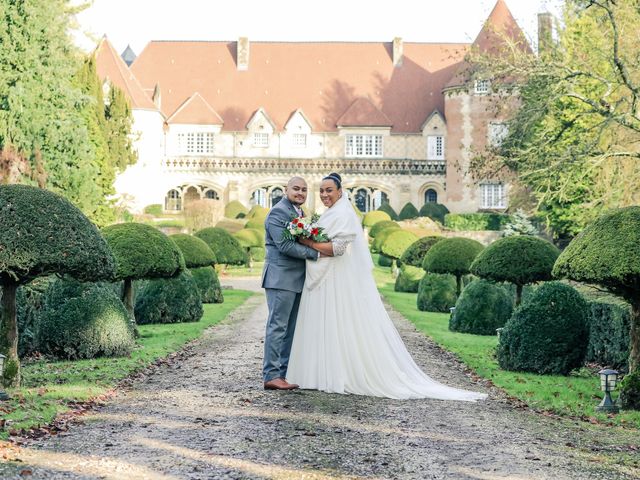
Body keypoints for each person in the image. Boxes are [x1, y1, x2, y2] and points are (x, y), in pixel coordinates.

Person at [287, 173, 487, 401]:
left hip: (334, 278)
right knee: (327, 322)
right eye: (321, 191)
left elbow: (340, 248)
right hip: (326, 275)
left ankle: (336, 374)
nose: (324, 195)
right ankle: (321, 373)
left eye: (329, 190)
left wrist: (308, 242)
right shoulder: (329, 213)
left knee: (337, 322)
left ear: (340, 192)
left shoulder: (343, 213)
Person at [261, 176, 319, 391]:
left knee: (290, 329)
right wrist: (315, 253)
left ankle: (282, 374)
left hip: (295, 279)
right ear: (286, 190)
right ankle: (271, 375)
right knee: (277, 327)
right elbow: (285, 245)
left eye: (304, 190)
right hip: (280, 278)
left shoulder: (300, 213)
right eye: (296, 189)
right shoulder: (278, 212)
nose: (300, 193)